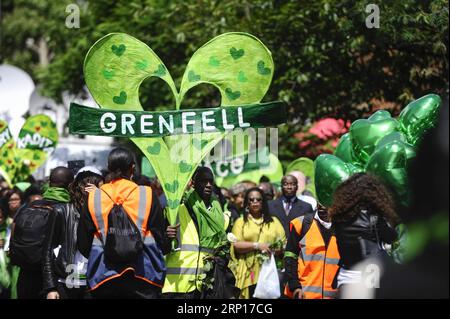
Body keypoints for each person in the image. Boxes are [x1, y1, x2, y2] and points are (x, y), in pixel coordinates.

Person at [77, 147, 169, 298]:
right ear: (132, 168)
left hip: (104, 278)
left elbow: (83, 242)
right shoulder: (147, 194)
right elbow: (159, 236)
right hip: (143, 277)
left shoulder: (94, 197)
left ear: (109, 168)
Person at [163, 167, 235, 299]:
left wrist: (218, 261)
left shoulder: (221, 217)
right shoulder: (177, 211)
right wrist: (167, 237)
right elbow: (162, 247)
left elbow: (225, 250)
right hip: (179, 286)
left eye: (210, 181)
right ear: (193, 183)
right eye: (203, 181)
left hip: (208, 285)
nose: (208, 185)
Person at [328, 173, 400, 293]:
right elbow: (391, 237)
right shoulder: (375, 218)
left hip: (346, 274)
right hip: (370, 274)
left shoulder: (339, 218)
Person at [11, 167, 74, 299]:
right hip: (50, 281)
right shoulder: (66, 210)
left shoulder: (29, 206)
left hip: (24, 276)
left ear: (50, 183)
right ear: (70, 185)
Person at [43, 168, 104, 299]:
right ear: (86, 188)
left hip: (94, 281)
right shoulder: (61, 211)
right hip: (67, 282)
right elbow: (47, 249)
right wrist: (50, 287)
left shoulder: (103, 213)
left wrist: (102, 200)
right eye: (101, 188)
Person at [229, 187, 286, 299]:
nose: (255, 202)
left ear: (263, 202)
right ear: (247, 203)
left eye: (258, 199)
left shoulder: (274, 221)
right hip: (247, 272)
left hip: (269, 273)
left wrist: (273, 249)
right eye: (251, 200)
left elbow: (284, 244)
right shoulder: (240, 222)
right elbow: (236, 245)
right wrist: (257, 245)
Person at [284, 203, 340, 299]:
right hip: (303, 294)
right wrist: (295, 286)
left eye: (325, 201)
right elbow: (290, 257)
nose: (322, 205)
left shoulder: (344, 227)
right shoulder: (301, 224)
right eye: (319, 201)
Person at [268, 175, 314, 239]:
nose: (289, 187)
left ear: (297, 187)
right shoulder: (270, 205)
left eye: (292, 184)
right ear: (281, 186)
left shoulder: (306, 207)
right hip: (275, 245)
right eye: (286, 184)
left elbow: (310, 230)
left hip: (297, 246)